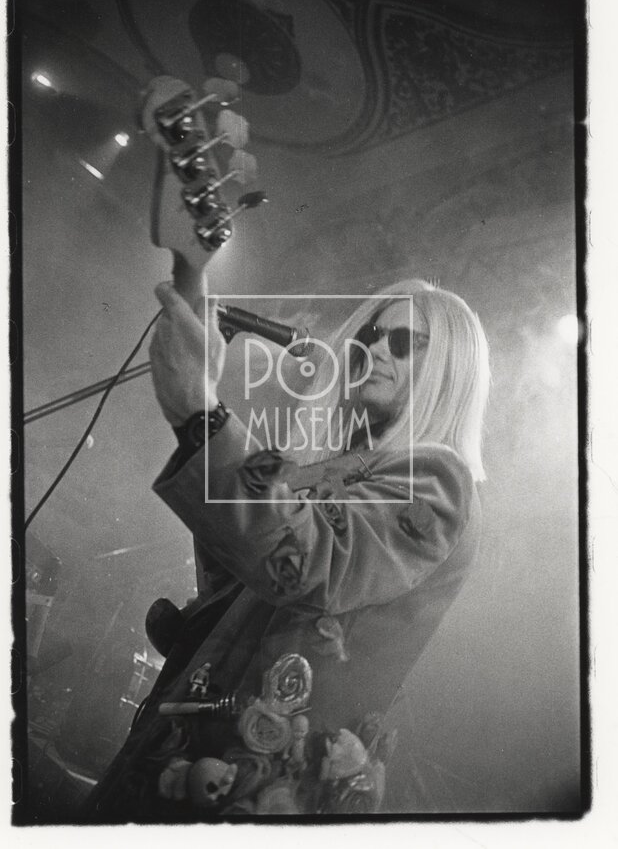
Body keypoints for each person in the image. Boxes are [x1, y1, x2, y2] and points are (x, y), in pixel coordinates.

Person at [84, 278, 490, 820]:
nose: (375, 349)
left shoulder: (439, 478)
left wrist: (203, 415)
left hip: (260, 787)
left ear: (449, 367)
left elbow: (310, 565)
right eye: (371, 334)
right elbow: (236, 577)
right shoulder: (341, 468)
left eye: (402, 342)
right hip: (201, 748)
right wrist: (211, 419)